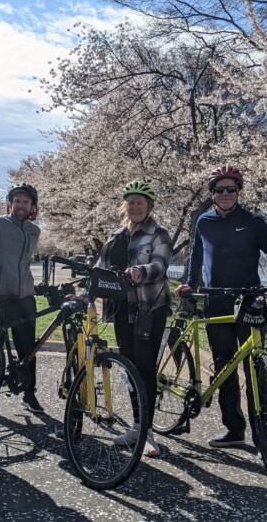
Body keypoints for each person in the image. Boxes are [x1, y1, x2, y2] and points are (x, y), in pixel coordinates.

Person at [175, 165, 267, 448]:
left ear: (238, 192)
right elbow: (195, 259)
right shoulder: (203, 222)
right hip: (216, 301)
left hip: (249, 301)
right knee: (224, 367)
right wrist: (189, 284)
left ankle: (263, 434)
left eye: (231, 189)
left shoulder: (253, 221)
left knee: (255, 367)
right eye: (220, 190)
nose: (226, 194)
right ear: (212, 194)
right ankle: (234, 430)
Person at [97, 180, 172, 458]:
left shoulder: (159, 234)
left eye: (140, 202)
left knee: (145, 368)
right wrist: (84, 289)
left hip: (149, 310)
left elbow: (161, 265)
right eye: (131, 201)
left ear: (149, 206)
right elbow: (101, 266)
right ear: (125, 205)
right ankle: (138, 425)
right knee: (129, 367)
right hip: (121, 309)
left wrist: (141, 270)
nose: (135, 206)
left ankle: (148, 432)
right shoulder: (116, 234)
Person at [0, 183, 44, 413]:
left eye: (25, 202)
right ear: (10, 203)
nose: (21, 205)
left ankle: (29, 394)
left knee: (29, 350)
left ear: (32, 206)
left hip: (25, 298)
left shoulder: (35, 231)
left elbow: (24, 263)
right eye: (17, 201)